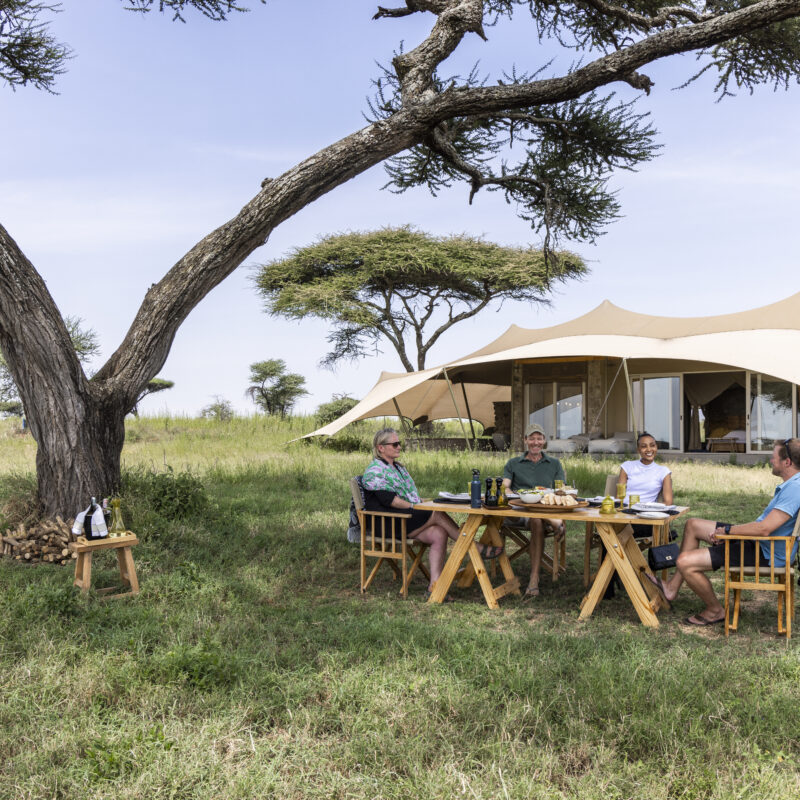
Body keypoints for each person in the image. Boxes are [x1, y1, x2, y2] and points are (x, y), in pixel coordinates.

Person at [646, 438, 800, 626]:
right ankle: (671, 588)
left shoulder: (795, 488)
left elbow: (764, 529)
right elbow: (762, 527)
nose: (770, 461)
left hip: (766, 552)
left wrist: (728, 531)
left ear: (787, 462)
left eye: (773, 457)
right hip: (759, 542)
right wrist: (729, 532)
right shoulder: (792, 484)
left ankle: (715, 610)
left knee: (685, 562)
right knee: (693, 525)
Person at [362, 427, 503, 599]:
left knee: (439, 532)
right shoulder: (375, 471)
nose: (399, 447)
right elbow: (391, 501)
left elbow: (408, 496)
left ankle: (434, 586)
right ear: (380, 447)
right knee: (436, 514)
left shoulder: (397, 468)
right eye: (395, 444)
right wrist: (416, 507)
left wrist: (419, 503)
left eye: (400, 443)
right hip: (387, 523)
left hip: (403, 517)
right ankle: (474, 546)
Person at [502, 423, 566, 598]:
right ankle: (555, 523)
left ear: (544, 441)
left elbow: (561, 490)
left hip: (542, 509)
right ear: (525, 441)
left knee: (537, 519)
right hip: (520, 510)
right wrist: (511, 493)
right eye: (532, 438)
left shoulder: (554, 463)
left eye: (539, 438)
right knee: (536, 517)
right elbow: (505, 487)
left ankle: (534, 578)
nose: (535, 442)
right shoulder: (514, 463)